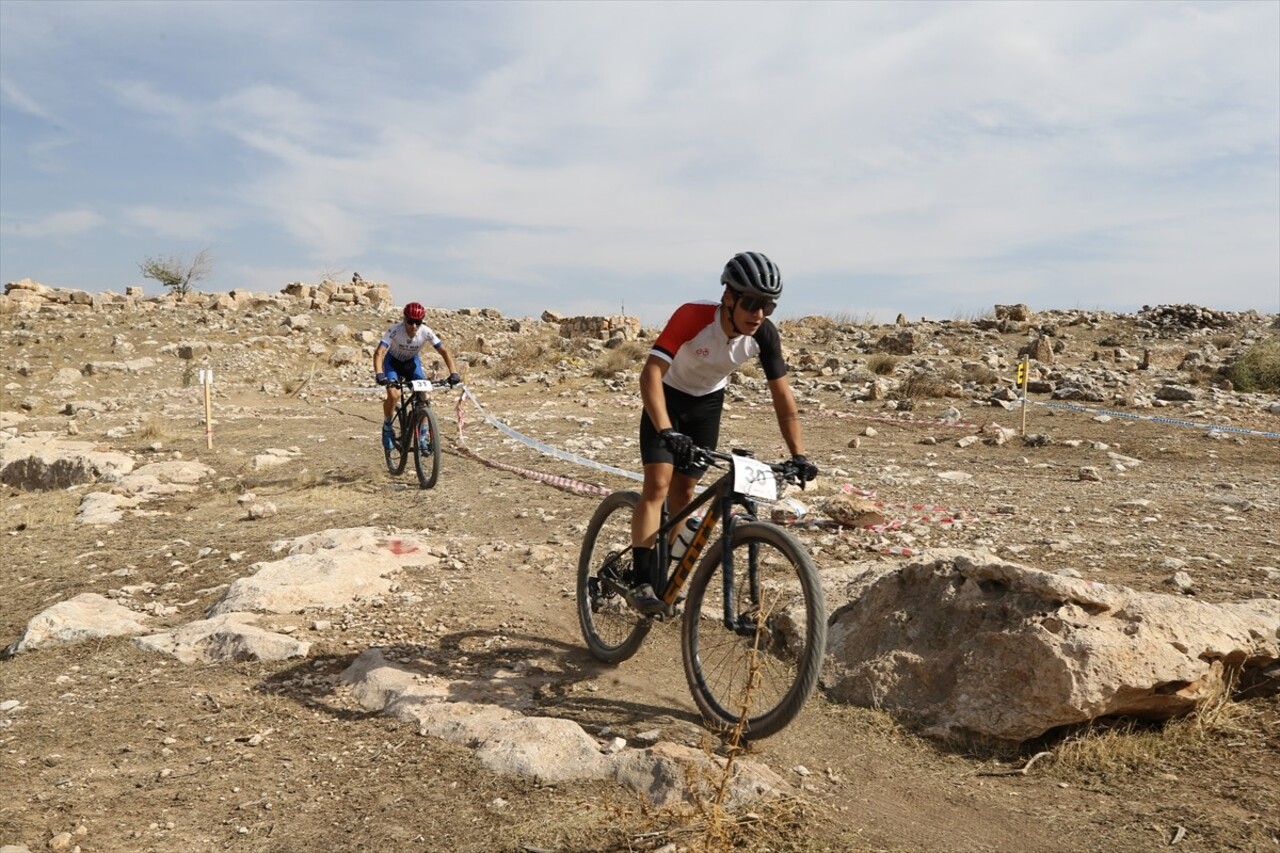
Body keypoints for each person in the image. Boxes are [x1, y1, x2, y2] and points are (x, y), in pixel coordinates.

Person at [626, 251, 818, 612]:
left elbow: (783, 397)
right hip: (666, 396)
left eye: (768, 306)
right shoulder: (693, 315)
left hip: (706, 405)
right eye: (750, 303)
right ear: (728, 298)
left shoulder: (764, 335)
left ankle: (666, 571)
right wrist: (666, 430)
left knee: (685, 490)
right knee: (658, 485)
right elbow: (650, 372)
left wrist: (799, 454)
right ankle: (640, 581)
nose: (758, 314)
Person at [373, 302, 462, 449]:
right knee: (394, 395)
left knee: (423, 395)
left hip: (411, 364)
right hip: (393, 364)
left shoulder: (426, 332)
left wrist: (454, 373)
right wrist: (379, 374)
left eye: (418, 322)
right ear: (404, 319)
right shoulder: (394, 330)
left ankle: (423, 434)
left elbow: (444, 352)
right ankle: (387, 427)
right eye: (410, 321)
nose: (414, 326)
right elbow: (379, 352)